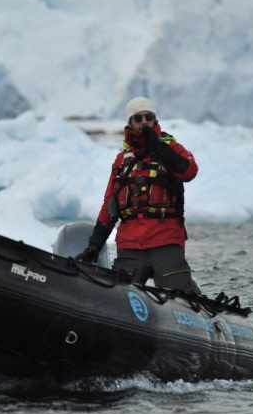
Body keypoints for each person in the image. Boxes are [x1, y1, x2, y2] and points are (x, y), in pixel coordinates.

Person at [76, 96, 201, 293]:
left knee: (182, 298)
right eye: (138, 118)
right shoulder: (122, 161)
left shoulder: (172, 149)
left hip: (165, 240)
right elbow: (109, 205)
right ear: (130, 123)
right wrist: (94, 245)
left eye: (148, 117)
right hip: (130, 245)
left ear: (154, 120)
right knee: (119, 297)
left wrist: (157, 146)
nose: (144, 122)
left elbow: (189, 171)